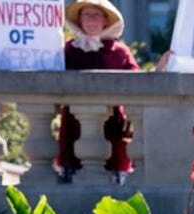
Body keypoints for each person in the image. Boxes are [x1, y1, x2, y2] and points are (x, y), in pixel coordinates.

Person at [55, 0, 139, 184]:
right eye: (87, 15)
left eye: (96, 15)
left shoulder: (120, 52)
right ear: (79, 20)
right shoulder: (67, 50)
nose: (91, 20)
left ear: (106, 21)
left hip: (112, 126)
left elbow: (139, 83)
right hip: (74, 124)